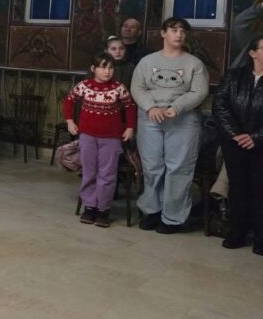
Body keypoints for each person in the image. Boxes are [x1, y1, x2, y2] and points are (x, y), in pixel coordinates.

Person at [131, 17, 209, 233]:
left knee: (179, 167)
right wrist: (150, 107)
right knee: (152, 166)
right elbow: (137, 87)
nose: (179, 34)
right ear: (163, 33)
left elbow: (199, 91)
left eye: (182, 31)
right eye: (174, 30)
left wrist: (177, 107)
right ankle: (152, 211)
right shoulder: (147, 62)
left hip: (183, 119)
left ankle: (173, 217)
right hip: (150, 118)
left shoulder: (194, 64)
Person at [63, 52, 136, 228]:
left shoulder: (118, 87)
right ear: (93, 69)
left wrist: (130, 127)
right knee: (89, 172)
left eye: (110, 67)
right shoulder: (84, 85)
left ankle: (103, 209)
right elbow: (69, 101)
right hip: (88, 136)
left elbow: (130, 107)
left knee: (107, 174)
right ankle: (90, 206)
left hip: (111, 138)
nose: (107, 71)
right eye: (103, 67)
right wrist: (70, 121)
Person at [212, 34, 263, 254]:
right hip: (234, 143)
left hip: (260, 144)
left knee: (260, 190)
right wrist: (235, 134)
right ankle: (237, 232)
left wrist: (256, 137)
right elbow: (220, 105)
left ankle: (260, 237)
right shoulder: (234, 76)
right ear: (253, 53)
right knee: (238, 187)